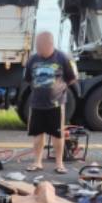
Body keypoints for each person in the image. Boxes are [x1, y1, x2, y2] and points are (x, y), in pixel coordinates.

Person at [24, 31, 77, 174]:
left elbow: (72, 78)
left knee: (57, 134)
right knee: (37, 134)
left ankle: (59, 164)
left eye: (42, 46)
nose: (40, 49)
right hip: (36, 103)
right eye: (38, 46)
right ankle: (37, 162)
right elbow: (28, 79)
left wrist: (60, 88)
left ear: (50, 44)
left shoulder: (62, 58)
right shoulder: (32, 59)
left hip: (56, 104)